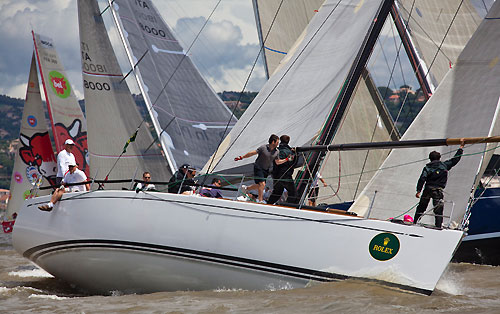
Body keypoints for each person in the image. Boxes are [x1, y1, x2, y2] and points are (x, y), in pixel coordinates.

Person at [414, 140, 465, 228]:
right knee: (438, 210)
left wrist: (418, 191)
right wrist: (461, 148)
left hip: (427, 189)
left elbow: (422, 178)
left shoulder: (427, 167)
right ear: (439, 158)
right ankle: (438, 227)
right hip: (437, 191)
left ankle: (415, 222)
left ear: (430, 158)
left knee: (421, 207)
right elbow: (455, 159)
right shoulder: (444, 165)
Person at [234, 134, 290, 203]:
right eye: (277, 142)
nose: (278, 144)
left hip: (266, 170)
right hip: (258, 167)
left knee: (260, 186)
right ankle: (260, 201)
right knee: (262, 184)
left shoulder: (277, 151)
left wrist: (286, 159)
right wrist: (241, 157)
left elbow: (277, 162)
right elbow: (252, 153)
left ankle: (246, 188)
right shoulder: (263, 148)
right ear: (273, 142)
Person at [268, 135, 298, 204]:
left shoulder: (276, 150)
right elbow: (293, 163)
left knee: (277, 193)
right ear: (288, 141)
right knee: (293, 194)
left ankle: (268, 205)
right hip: (285, 176)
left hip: (276, 176)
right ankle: (286, 207)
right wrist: (295, 154)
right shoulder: (289, 152)